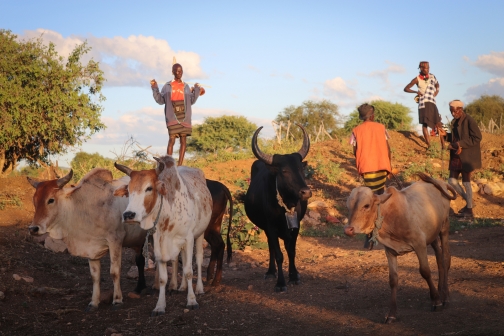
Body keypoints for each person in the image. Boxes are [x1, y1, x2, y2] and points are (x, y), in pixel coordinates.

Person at [350, 103, 392, 249]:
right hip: (382, 167)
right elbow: (388, 148)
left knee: (369, 201)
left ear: (362, 117)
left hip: (367, 169)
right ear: (372, 115)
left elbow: (354, 150)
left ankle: (370, 236)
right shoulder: (381, 127)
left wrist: (359, 166)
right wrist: (389, 165)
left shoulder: (356, 131)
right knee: (379, 197)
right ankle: (379, 231)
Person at [150, 63, 203, 166]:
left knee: (183, 140)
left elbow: (191, 101)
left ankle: (179, 165)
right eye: (177, 71)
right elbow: (160, 100)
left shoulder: (186, 86)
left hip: (184, 116)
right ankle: (168, 165)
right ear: (173, 72)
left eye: (181, 71)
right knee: (172, 140)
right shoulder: (167, 86)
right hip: (172, 115)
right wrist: (154, 88)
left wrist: (196, 89)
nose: (179, 73)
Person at [446, 100, 482, 219]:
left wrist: (458, 144)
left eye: (453, 111)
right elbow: (454, 137)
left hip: (467, 156)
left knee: (466, 182)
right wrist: (444, 136)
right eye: (451, 111)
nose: (452, 113)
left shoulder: (469, 120)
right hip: (456, 155)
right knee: (451, 181)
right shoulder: (454, 121)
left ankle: (469, 210)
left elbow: (477, 137)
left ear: (460, 109)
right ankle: (469, 203)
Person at [404, 61, 444, 149]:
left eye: (428, 68)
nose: (427, 69)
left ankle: (443, 145)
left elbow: (437, 84)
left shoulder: (432, 76)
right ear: (421, 68)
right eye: (426, 68)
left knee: (438, 123)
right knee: (425, 124)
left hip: (432, 102)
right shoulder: (417, 79)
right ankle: (429, 145)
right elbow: (406, 88)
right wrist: (416, 92)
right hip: (423, 103)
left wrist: (437, 91)